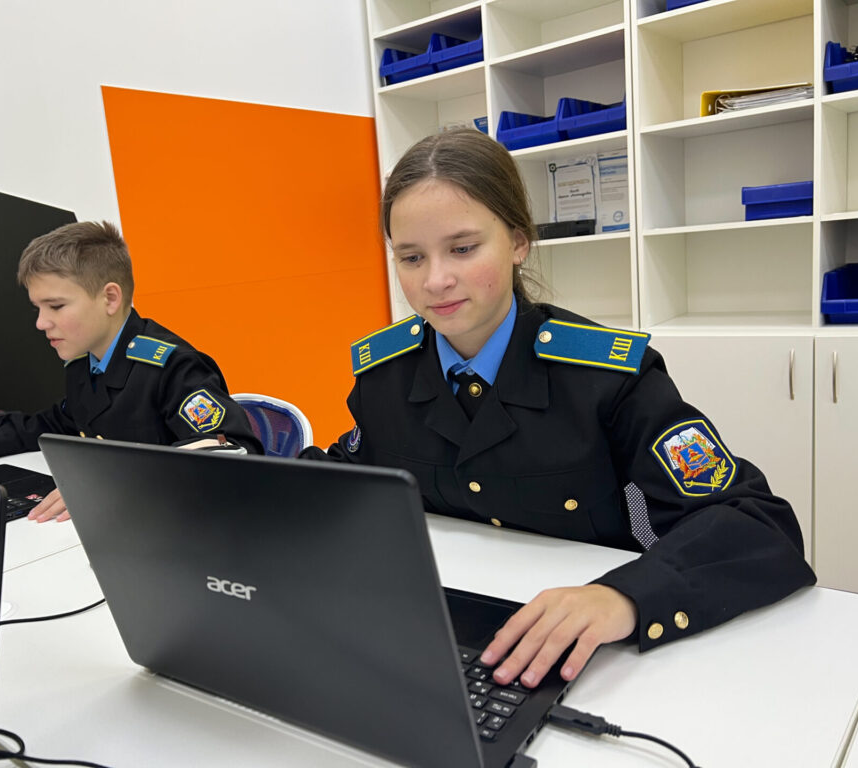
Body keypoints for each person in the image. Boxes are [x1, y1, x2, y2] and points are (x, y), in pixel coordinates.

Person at [302, 129, 814, 690]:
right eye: (411, 257)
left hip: (593, 659)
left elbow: (758, 523)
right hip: (436, 640)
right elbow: (345, 482)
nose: (435, 280)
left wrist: (624, 596)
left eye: (463, 248)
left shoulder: (605, 378)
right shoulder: (384, 377)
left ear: (518, 242)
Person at [0, 220, 262, 521]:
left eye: (55, 306)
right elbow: (53, 422)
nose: (41, 323)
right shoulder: (86, 363)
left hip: (177, 530)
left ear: (110, 298)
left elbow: (233, 452)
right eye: (38, 308)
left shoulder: (173, 367)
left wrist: (111, 481)